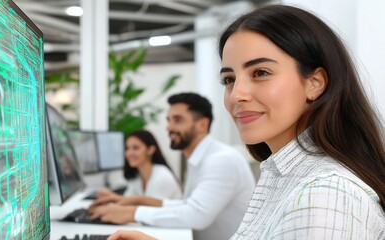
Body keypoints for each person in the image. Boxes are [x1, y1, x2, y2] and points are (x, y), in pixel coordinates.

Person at [105, 4, 385, 240]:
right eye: (229, 79)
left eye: (261, 72)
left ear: (314, 83)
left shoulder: (324, 196)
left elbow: (196, 214)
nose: (236, 94)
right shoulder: (282, 174)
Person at [89, 92, 256, 240]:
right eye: (169, 120)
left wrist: (132, 212)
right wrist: (135, 201)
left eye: (177, 120)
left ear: (202, 125)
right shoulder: (199, 159)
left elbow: (196, 215)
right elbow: (188, 205)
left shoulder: (221, 159)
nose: (169, 127)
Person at [95, 129, 182, 201]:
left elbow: (149, 211)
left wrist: (113, 198)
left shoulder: (162, 176)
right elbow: (128, 201)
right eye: (127, 148)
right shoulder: (137, 176)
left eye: (135, 148)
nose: (129, 153)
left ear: (150, 150)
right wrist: (111, 197)